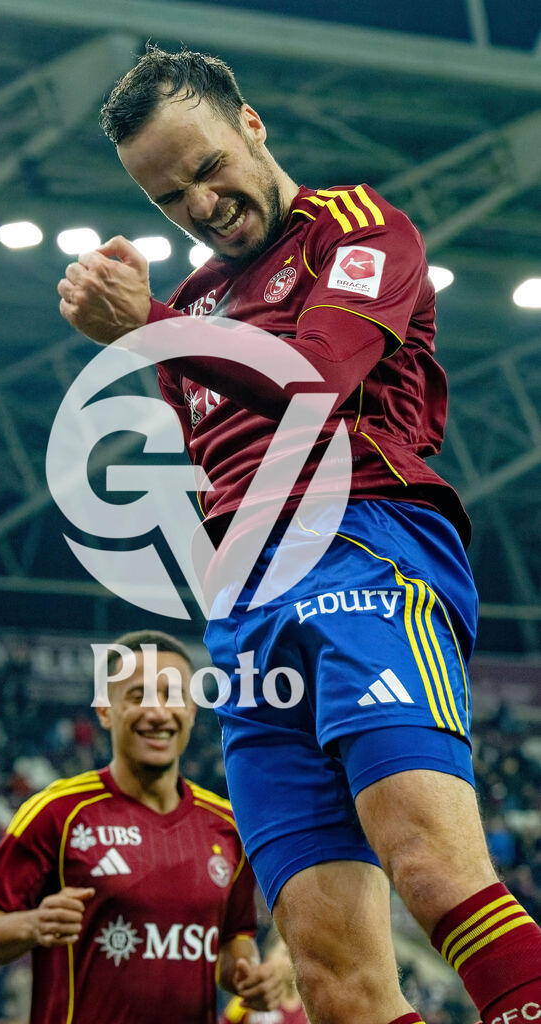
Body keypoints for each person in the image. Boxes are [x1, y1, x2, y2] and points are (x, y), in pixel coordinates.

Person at [57, 46, 541, 1024]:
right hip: (244, 612)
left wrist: (145, 325)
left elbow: (313, 383)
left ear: (251, 127)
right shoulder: (194, 305)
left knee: (427, 865)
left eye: (205, 168)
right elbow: (211, 472)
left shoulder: (359, 231)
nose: (197, 203)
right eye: (167, 196)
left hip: (362, 546)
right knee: (329, 978)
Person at [0, 630, 282, 1024]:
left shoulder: (226, 824)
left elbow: (233, 939)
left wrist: (250, 977)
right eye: (137, 695)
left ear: (192, 710)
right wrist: (33, 924)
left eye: (172, 696)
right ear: (105, 710)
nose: (157, 712)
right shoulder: (57, 813)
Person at [220, 928, 309, 1024]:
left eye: (297, 955)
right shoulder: (250, 999)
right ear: (269, 957)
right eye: (286, 954)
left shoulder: (313, 1006)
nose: (292, 961)